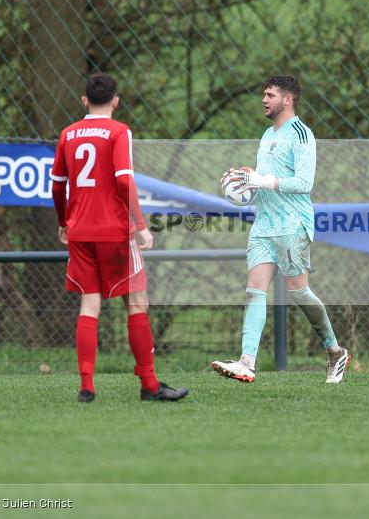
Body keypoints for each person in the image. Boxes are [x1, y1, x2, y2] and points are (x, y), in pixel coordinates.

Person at [50, 73, 188, 403]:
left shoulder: (68, 134)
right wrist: (140, 226)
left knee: (90, 304)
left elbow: (57, 185)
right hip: (114, 231)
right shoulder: (118, 131)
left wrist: (64, 222)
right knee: (137, 303)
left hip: (81, 231)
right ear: (116, 101)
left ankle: (87, 386)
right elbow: (125, 182)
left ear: (84, 100)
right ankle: (150, 385)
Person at [210, 75, 350, 384]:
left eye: (270, 95)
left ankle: (334, 350)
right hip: (264, 225)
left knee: (299, 293)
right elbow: (263, 185)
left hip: (292, 225)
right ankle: (247, 362)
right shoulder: (266, 134)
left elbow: (303, 184)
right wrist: (242, 187)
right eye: (264, 94)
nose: (264, 99)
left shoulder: (302, 134)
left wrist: (262, 180)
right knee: (253, 290)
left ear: (287, 99)